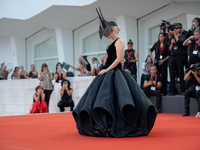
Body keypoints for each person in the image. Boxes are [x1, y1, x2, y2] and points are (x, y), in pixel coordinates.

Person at [72, 7, 157, 138]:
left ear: (111, 30)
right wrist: (105, 68)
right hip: (108, 72)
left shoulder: (120, 42)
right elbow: (111, 58)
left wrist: (107, 68)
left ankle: (120, 123)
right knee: (103, 99)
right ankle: (104, 123)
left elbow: (119, 59)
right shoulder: (112, 42)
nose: (105, 34)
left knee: (118, 99)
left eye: (106, 31)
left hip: (115, 72)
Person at [168, 24, 186, 95]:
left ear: (179, 30)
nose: (175, 30)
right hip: (172, 57)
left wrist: (175, 35)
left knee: (180, 73)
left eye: (176, 29)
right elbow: (169, 49)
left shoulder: (182, 36)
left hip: (179, 57)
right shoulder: (171, 38)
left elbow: (179, 42)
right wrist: (172, 44)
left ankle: (182, 89)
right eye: (174, 29)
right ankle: (172, 89)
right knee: (172, 74)